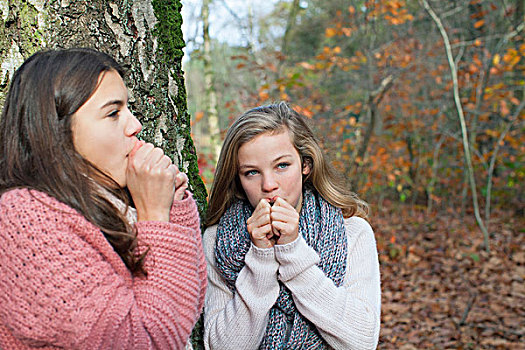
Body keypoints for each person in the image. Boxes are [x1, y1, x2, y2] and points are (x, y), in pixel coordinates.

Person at [0, 48, 206, 349]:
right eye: (113, 112)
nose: (135, 125)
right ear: (57, 129)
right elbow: (142, 342)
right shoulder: (23, 217)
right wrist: (156, 218)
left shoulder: (107, 202)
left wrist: (173, 206)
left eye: (129, 109)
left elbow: (185, 306)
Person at [202, 102, 381, 350]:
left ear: (305, 164)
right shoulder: (217, 239)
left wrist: (293, 251)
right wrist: (261, 258)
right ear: (238, 178)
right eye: (252, 172)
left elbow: (362, 341)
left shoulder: (353, 232)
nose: (269, 185)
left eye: (282, 166)